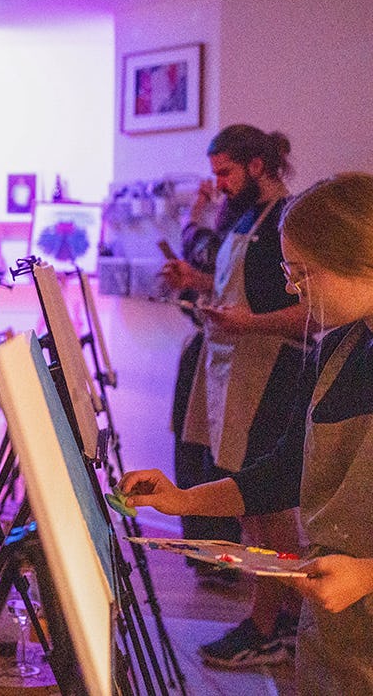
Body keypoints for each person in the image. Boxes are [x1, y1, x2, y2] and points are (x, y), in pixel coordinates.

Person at [121, 172, 373, 694]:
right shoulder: (337, 350)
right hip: (336, 627)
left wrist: (368, 575)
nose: (291, 288)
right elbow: (285, 472)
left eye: (302, 273)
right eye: (288, 271)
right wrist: (184, 500)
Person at [158, 124, 309, 667]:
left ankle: (268, 624)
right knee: (252, 507)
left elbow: (312, 315)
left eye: (225, 172)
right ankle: (281, 616)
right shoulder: (244, 218)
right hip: (232, 369)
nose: (218, 184)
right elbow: (243, 290)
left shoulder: (289, 221)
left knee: (265, 501)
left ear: (257, 166)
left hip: (270, 373)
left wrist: (249, 322)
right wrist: (197, 283)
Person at [169, 181, 245, 583]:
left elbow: (203, 252)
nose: (220, 186)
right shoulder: (233, 219)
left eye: (226, 173)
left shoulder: (252, 225)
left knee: (214, 458)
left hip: (231, 356)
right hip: (205, 347)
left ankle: (220, 558)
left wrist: (196, 210)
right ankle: (203, 555)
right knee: (189, 451)